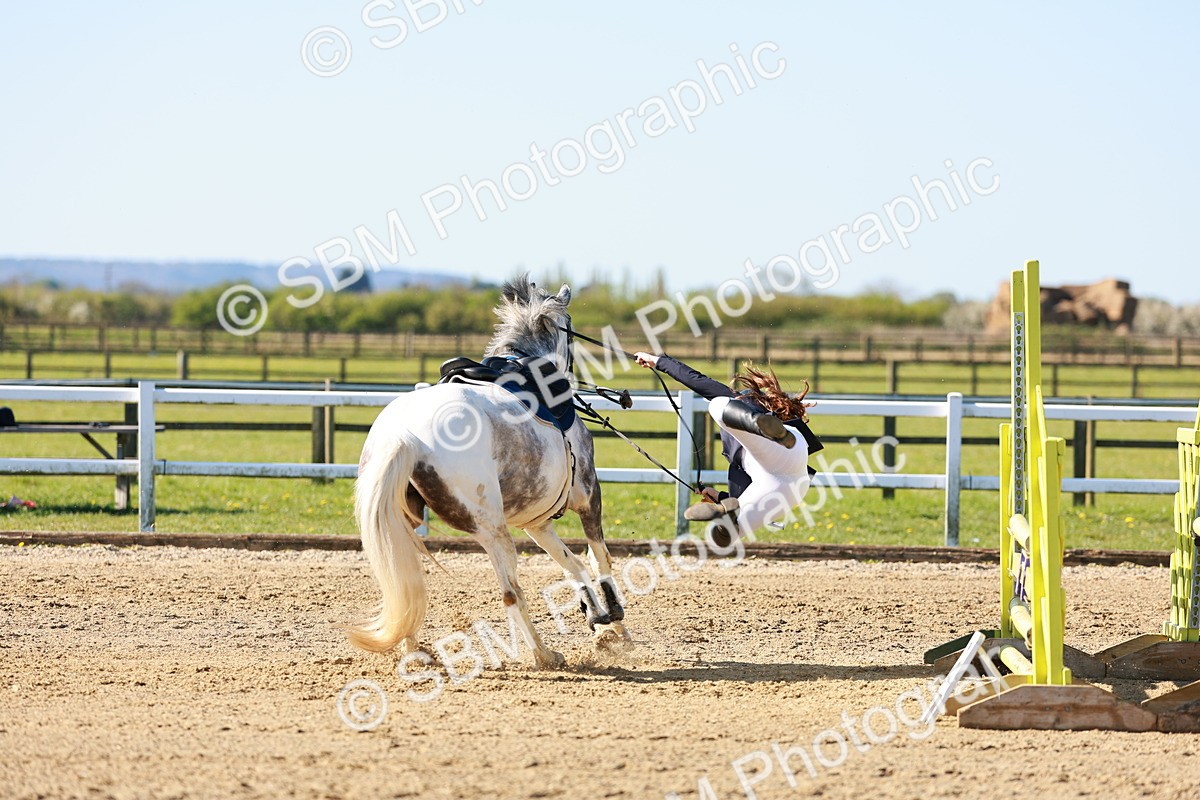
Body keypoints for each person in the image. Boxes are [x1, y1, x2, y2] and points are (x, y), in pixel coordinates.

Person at [633, 352, 823, 544]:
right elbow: (746, 494)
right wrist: (719, 497)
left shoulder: (741, 401)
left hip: (777, 464)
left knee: (718, 404)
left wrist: (658, 361)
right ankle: (725, 512)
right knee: (724, 536)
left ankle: (759, 425)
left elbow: (695, 379)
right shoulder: (758, 426)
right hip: (792, 481)